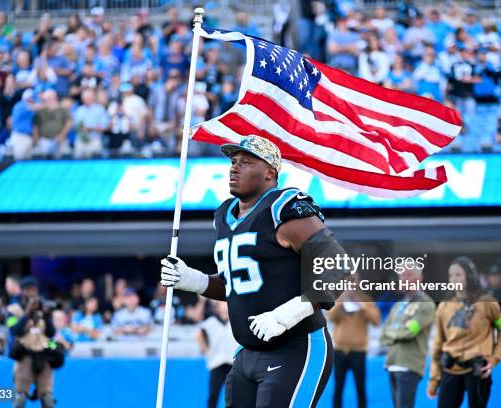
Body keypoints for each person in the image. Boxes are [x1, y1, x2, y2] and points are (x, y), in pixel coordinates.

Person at [161, 135, 350, 407]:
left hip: (295, 347)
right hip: (245, 353)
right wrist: (194, 280)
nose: (234, 168)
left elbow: (337, 266)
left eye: (246, 162)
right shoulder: (225, 215)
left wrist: (288, 313)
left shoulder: (282, 208)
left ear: (269, 173)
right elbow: (239, 286)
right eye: (233, 161)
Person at [427, 257, 501, 408]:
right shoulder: (444, 306)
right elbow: (438, 344)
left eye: (458, 274)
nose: (454, 279)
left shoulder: (487, 303)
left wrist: (494, 359)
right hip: (450, 368)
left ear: (470, 276)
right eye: (451, 275)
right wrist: (434, 380)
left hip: (478, 369)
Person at [379, 265, 436, 408]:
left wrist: (394, 331)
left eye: (409, 275)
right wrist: (397, 331)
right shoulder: (398, 305)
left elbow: (409, 332)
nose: (404, 279)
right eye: (402, 276)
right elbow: (383, 335)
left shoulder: (426, 304)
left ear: (419, 279)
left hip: (409, 365)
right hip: (392, 363)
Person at [8, 276, 57, 408]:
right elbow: (13, 331)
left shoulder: (42, 308)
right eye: (29, 289)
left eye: (34, 289)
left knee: (47, 398)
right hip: (24, 354)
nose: (32, 293)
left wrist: (47, 317)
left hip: (43, 354)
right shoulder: (13, 309)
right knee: (20, 399)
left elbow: (51, 333)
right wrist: (27, 314)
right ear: (22, 291)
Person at [328, 289, 381, 408]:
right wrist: (342, 298)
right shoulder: (338, 299)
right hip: (340, 351)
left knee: (360, 388)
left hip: (358, 352)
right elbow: (330, 316)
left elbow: (376, 320)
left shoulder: (366, 300)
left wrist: (361, 304)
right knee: (338, 387)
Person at [196, 300, 239, 408]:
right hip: (217, 363)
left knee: (234, 396)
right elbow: (198, 334)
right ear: (217, 308)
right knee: (213, 395)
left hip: (233, 363)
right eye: (221, 303)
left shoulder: (236, 321)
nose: (225, 305)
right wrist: (205, 350)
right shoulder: (211, 322)